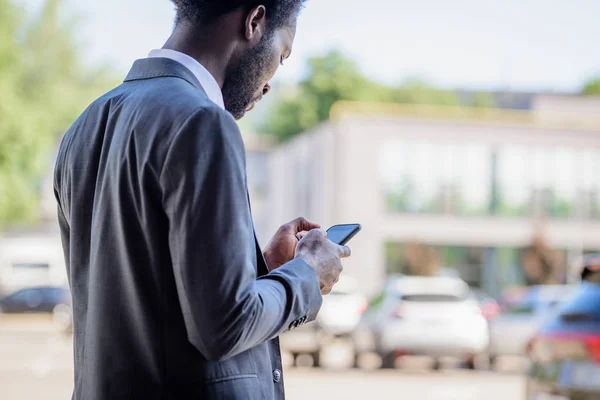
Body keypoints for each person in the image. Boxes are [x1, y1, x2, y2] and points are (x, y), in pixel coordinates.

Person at [53, 1, 351, 399]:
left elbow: (154, 302)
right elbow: (225, 326)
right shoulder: (204, 122)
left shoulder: (84, 128)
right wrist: (306, 273)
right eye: (282, 54)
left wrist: (265, 270)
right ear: (255, 21)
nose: (269, 83)